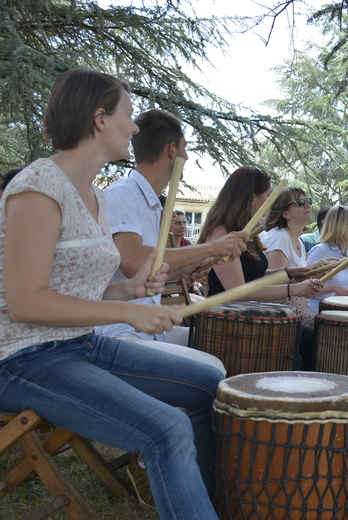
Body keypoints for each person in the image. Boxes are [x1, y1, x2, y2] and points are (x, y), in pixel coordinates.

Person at [0, 67, 223, 520]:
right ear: (100, 119)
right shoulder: (37, 188)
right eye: (129, 114)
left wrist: (131, 288)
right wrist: (125, 309)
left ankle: (205, 503)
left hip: (80, 344)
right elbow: (25, 299)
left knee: (210, 386)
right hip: (23, 358)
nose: (135, 127)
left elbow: (81, 285)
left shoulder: (95, 195)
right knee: (166, 428)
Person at [97, 109, 246, 345]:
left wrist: (181, 271)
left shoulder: (151, 203)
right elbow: (133, 263)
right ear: (172, 149)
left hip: (148, 330)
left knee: (220, 342)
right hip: (120, 334)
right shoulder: (123, 194)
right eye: (184, 148)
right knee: (210, 369)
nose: (186, 157)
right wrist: (212, 249)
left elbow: (145, 270)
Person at [197, 166, 324, 370]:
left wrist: (288, 274)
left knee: (313, 338)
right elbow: (238, 291)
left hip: (245, 311)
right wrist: (293, 289)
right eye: (266, 196)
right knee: (300, 343)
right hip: (227, 317)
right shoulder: (222, 232)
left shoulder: (246, 230)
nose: (269, 202)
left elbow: (251, 275)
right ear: (251, 197)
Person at [261, 186, 335, 326]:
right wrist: (311, 276)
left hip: (296, 309)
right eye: (300, 203)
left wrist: (313, 273)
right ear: (286, 214)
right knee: (332, 325)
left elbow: (294, 281)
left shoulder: (298, 240)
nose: (307, 205)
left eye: (308, 200)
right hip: (283, 315)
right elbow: (276, 286)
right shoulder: (279, 237)